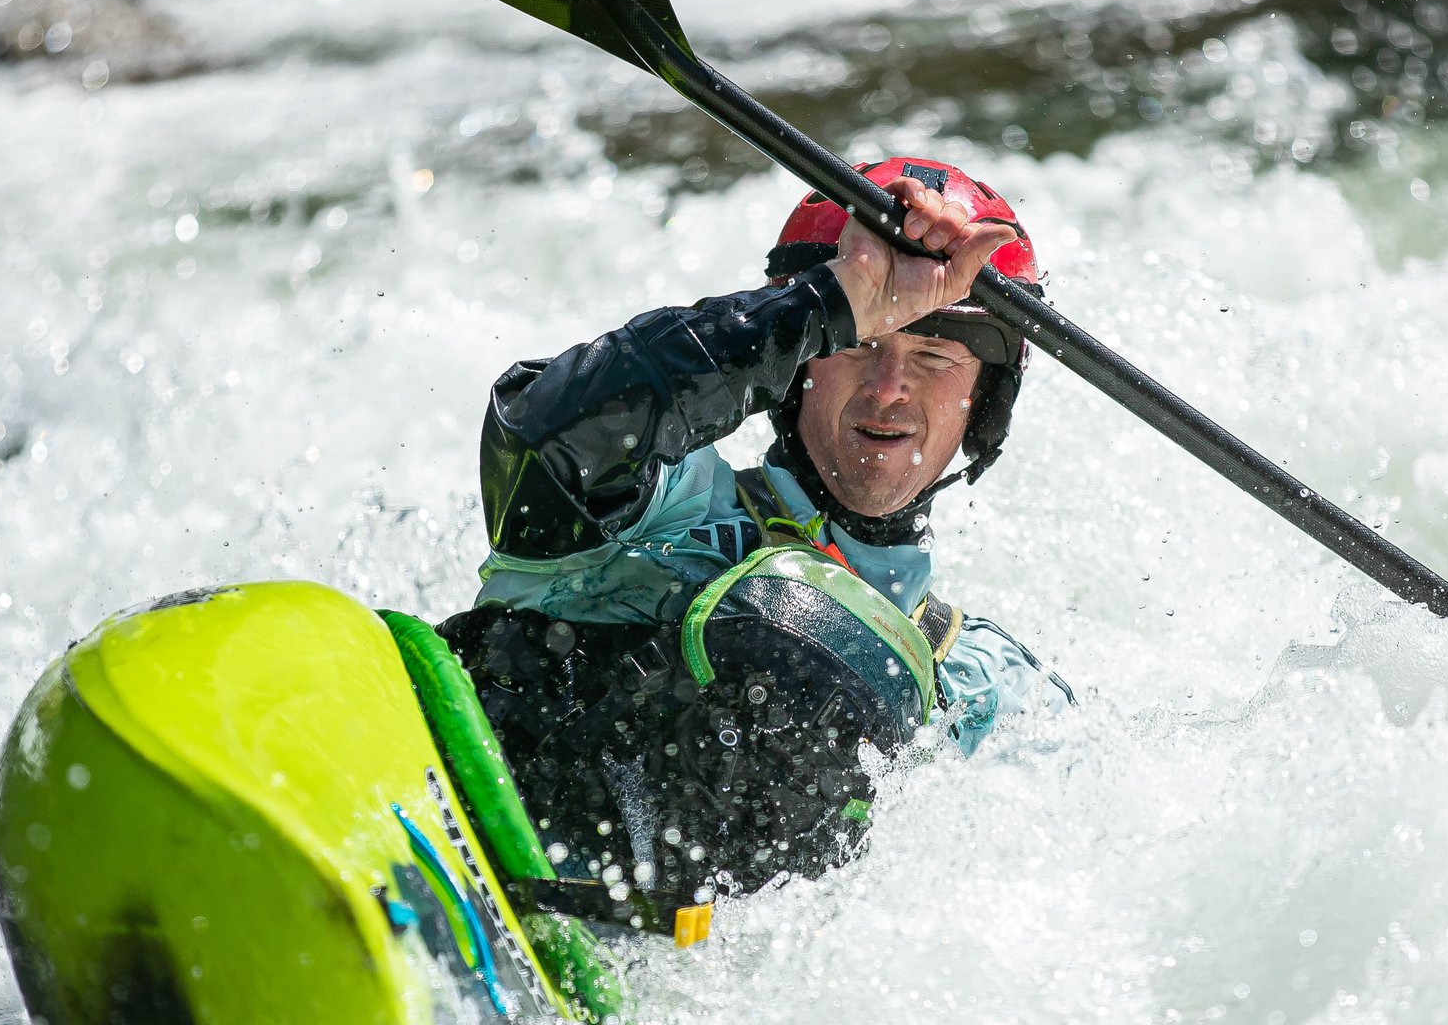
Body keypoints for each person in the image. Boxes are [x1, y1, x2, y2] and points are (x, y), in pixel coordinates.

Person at [440, 159, 1071, 915]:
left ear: (984, 403)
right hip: (493, 899)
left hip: (729, 1011)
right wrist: (826, 304)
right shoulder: (659, 514)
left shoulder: (989, 692)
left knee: (847, 647)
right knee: (801, 626)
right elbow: (542, 431)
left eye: (933, 358)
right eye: (862, 344)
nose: (889, 389)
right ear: (797, 369)